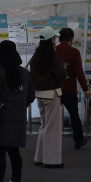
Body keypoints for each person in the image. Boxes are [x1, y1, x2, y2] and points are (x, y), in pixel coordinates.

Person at [0, 40, 35, 182]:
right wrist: (20, 106)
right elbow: (31, 95)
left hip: (0, 118)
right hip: (17, 118)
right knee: (14, 151)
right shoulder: (24, 73)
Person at [28, 27, 67, 168]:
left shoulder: (36, 55)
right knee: (53, 128)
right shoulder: (53, 55)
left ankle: (39, 157)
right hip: (52, 93)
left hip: (39, 93)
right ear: (52, 38)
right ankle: (51, 160)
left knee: (44, 126)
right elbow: (61, 75)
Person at [55, 28, 90, 149]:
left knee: (51, 116)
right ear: (72, 39)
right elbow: (78, 72)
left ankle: (50, 141)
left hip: (54, 89)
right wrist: (86, 88)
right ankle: (78, 140)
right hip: (69, 88)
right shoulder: (74, 51)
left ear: (59, 38)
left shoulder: (53, 50)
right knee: (74, 115)